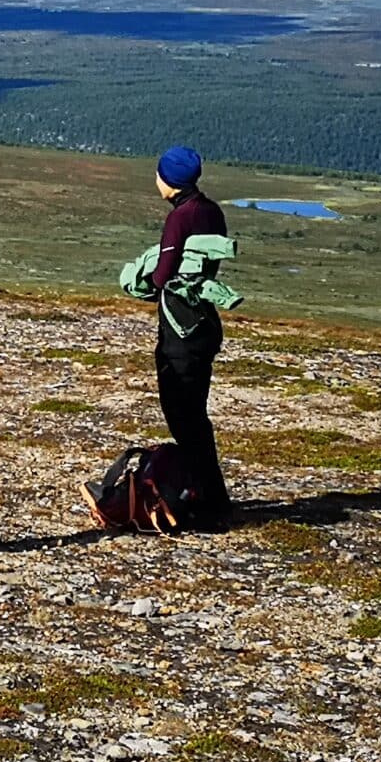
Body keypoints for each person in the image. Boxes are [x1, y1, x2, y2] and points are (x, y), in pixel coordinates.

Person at [145, 145, 233, 523]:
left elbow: (162, 276)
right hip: (204, 323)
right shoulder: (212, 211)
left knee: (183, 413)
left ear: (169, 180)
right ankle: (205, 492)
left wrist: (143, 280)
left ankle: (207, 500)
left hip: (180, 327)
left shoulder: (180, 218)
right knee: (194, 413)